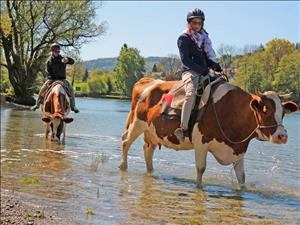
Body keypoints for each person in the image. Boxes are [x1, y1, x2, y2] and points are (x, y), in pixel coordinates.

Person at [174, 8, 222, 143]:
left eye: (199, 23)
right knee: (190, 93)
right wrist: (201, 70)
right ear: (189, 23)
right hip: (189, 72)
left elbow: (204, 58)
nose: (197, 25)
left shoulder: (202, 38)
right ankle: (182, 129)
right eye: (194, 23)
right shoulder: (183, 38)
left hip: (203, 71)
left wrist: (213, 65)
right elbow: (186, 60)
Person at [31, 43, 79, 113]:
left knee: (71, 89)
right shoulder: (49, 61)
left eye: (58, 51)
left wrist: (68, 60)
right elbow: (47, 71)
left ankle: (73, 106)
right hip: (52, 79)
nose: (57, 52)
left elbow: (72, 62)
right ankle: (37, 104)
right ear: (52, 51)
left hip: (62, 80)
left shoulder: (63, 58)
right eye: (56, 51)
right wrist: (51, 78)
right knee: (42, 89)